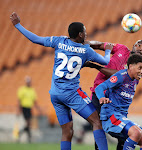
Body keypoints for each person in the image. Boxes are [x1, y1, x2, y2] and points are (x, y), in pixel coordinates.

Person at [10, 12, 112, 150]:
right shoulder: (85, 50)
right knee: (97, 122)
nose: (86, 34)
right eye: (85, 32)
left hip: (55, 94)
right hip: (71, 93)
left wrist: (18, 25)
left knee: (67, 131)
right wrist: (107, 50)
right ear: (80, 35)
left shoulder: (59, 41)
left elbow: (35, 39)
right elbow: (106, 61)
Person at [84, 39, 142, 150]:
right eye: (139, 45)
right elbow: (101, 45)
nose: (140, 48)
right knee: (97, 125)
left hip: (114, 97)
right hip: (98, 92)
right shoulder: (122, 49)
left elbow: (116, 75)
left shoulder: (135, 70)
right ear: (133, 45)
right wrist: (84, 43)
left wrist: (96, 66)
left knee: (124, 132)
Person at [95, 54, 142, 150]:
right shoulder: (121, 76)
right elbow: (100, 87)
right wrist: (101, 97)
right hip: (111, 116)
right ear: (130, 66)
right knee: (135, 132)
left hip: (122, 117)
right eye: (140, 68)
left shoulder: (135, 79)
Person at [17, 76, 40, 143]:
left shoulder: (32, 90)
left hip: (29, 108)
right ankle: (24, 135)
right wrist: (18, 110)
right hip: (24, 108)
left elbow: (34, 101)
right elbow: (19, 100)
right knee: (28, 122)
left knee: (29, 123)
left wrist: (38, 109)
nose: (29, 83)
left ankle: (26, 136)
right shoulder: (22, 89)